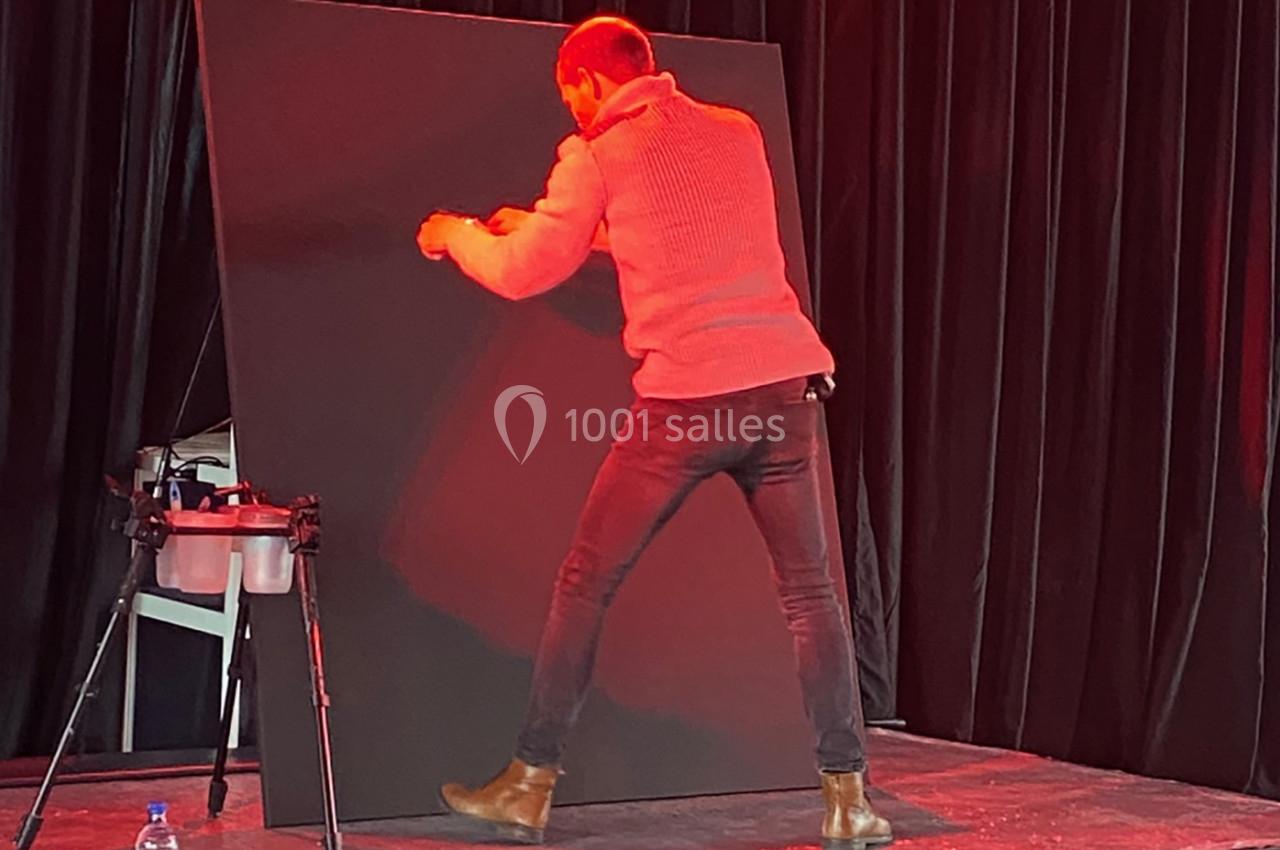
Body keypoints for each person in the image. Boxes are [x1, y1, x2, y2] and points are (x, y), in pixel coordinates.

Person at [415, 15, 892, 849]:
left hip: (689, 404)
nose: (573, 117)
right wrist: (538, 223)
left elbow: (529, 271)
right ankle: (849, 802)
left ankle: (529, 783)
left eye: (572, 100)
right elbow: (678, 231)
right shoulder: (735, 133)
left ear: (591, 83)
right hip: (785, 393)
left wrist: (457, 235)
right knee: (813, 600)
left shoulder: (596, 152)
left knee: (584, 583)